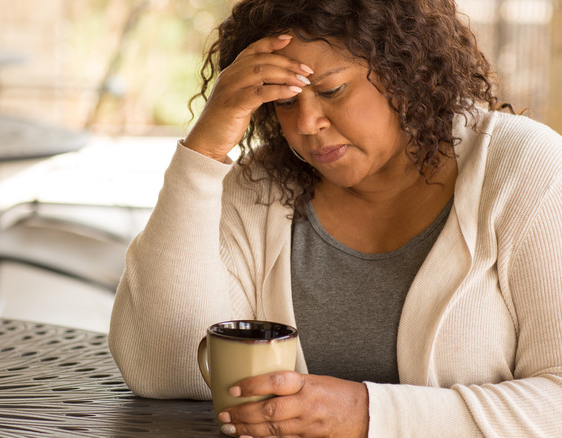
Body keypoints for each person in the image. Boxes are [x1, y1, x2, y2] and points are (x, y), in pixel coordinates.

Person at [108, 0, 562, 436]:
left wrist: (368, 416)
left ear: (405, 70)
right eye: (283, 101)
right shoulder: (259, 188)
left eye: (331, 90)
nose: (305, 123)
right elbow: (165, 371)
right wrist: (205, 149)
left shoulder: (523, 169)